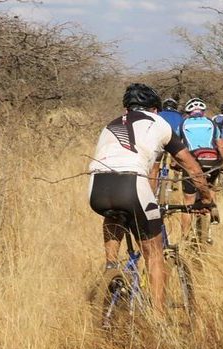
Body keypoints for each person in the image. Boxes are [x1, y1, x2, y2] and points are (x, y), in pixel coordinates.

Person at [89, 84, 211, 314]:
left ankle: (111, 270)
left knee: (113, 213)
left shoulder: (111, 124)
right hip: (132, 183)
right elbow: (191, 166)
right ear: (155, 109)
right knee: (154, 253)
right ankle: (159, 318)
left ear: (126, 109)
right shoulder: (159, 123)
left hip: (97, 187)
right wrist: (205, 198)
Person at [178, 97, 223, 229]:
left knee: (188, 201)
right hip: (211, 160)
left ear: (188, 113)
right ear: (203, 112)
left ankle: (184, 237)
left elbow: (176, 146)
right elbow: (221, 145)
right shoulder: (211, 123)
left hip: (192, 162)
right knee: (210, 187)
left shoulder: (183, 124)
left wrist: (174, 163)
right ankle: (212, 208)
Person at [158, 98, 185, 192]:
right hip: (174, 142)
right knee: (176, 161)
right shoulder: (180, 116)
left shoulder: (158, 114)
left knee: (158, 162)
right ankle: (175, 182)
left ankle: (158, 179)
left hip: (160, 141)